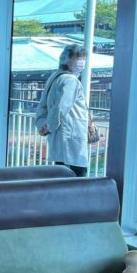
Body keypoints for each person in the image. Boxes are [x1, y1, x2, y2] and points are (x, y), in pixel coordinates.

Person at [35, 44, 90, 177]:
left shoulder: (55, 77)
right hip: (70, 138)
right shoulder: (71, 81)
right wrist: (49, 127)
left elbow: (42, 106)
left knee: (60, 175)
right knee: (76, 178)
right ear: (66, 59)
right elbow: (61, 108)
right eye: (78, 58)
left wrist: (41, 124)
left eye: (83, 58)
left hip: (61, 138)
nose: (82, 62)